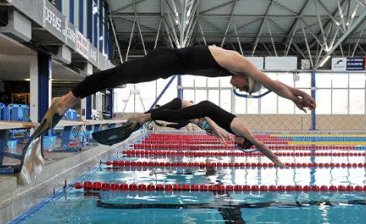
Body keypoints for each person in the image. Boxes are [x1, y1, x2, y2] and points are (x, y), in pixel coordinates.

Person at [36, 45, 316, 136]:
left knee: (120, 78)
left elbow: (271, 82)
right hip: (168, 60)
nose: (238, 88)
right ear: (247, 79)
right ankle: (65, 100)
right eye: (243, 88)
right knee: (119, 75)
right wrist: (294, 97)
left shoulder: (236, 69)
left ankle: (66, 100)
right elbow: (270, 82)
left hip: (168, 65)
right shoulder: (240, 63)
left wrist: (296, 92)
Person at [127, 99, 285, 168]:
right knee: (176, 115)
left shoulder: (234, 132)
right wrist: (275, 160)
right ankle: (144, 117)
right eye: (240, 143)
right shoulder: (243, 130)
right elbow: (261, 145)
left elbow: (212, 127)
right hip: (206, 109)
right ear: (246, 139)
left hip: (205, 112)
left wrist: (217, 134)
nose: (236, 143)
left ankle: (145, 117)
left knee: (178, 118)